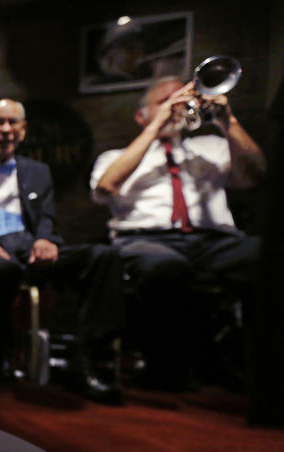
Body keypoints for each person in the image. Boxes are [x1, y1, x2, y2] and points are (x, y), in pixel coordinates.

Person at [90, 76, 266, 389]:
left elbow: (256, 175)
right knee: (166, 268)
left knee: (267, 256)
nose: (177, 104)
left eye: (183, 97)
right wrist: (155, 128)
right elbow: (106, 186)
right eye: (164, 100)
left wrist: (228, 121)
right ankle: (166, 368)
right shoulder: (115, 155)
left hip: (213, 242)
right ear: (141, 116)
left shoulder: (210, 145)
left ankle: (259, 370)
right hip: (145, 240)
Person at [0, 99, 125, 404]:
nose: (6, 130)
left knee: (103, 257)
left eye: (13, 122)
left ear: (23, 130)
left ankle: (84, 358)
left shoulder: (38, 171)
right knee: (2, 269)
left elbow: (46, 219)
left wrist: (46, 239)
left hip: (30, 247)